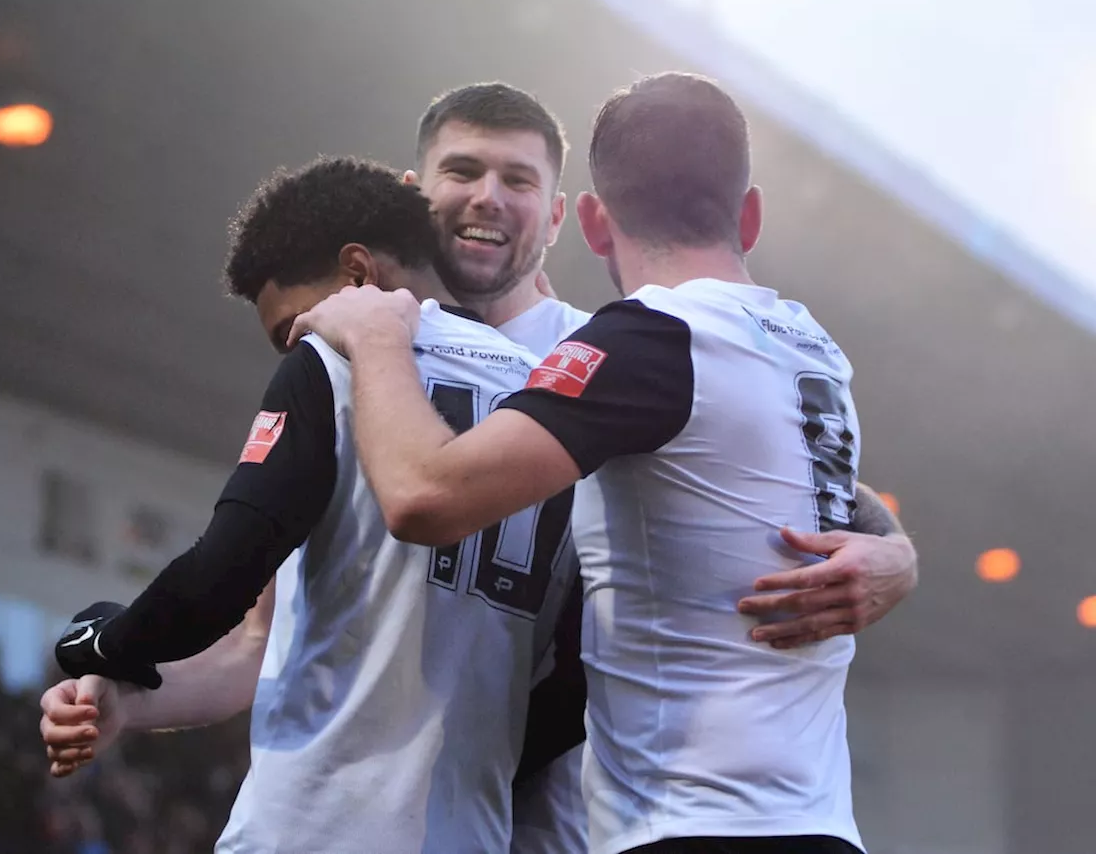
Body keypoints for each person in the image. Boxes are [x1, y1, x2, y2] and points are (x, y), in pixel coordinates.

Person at [42, 82, 916, 852]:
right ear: (417, 196)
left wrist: (893, 552)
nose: (488, 199)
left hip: (549, 827)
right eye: (463, 173)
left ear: (569, 214)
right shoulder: (369, 354)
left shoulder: (603, 358)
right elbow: (260, 646)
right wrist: (131, 702)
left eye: (519, 181)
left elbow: (770, 458)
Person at [289, 72, 901, 854]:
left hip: (686, 828)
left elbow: (421, 497)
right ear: (750, 214)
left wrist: (375, 338)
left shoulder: (648, 341)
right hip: (821, 827)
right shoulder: (812, 352)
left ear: (591, 220)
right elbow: (832, 495)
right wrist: (899, 552)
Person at [50, 156, 581, 854]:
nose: (290, 345)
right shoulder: (554, 414)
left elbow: (220, 575)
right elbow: (573, 688)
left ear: (357, 275)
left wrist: (102, 640)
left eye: (287, 329)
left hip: (308, 828)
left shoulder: (331, 363)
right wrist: (124, 699)